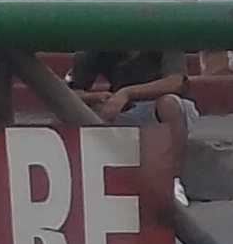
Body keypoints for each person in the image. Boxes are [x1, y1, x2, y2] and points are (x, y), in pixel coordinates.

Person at [69, 47, 197, 208]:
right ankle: (90, 181)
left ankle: (172, 181)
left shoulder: (164, 37)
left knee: (169, 104)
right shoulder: (97, 47)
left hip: (165, 106)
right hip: (126, 109)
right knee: (85, 111)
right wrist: (94, 97)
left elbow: (175, 82)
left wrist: (127, 92)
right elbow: (68, 92)